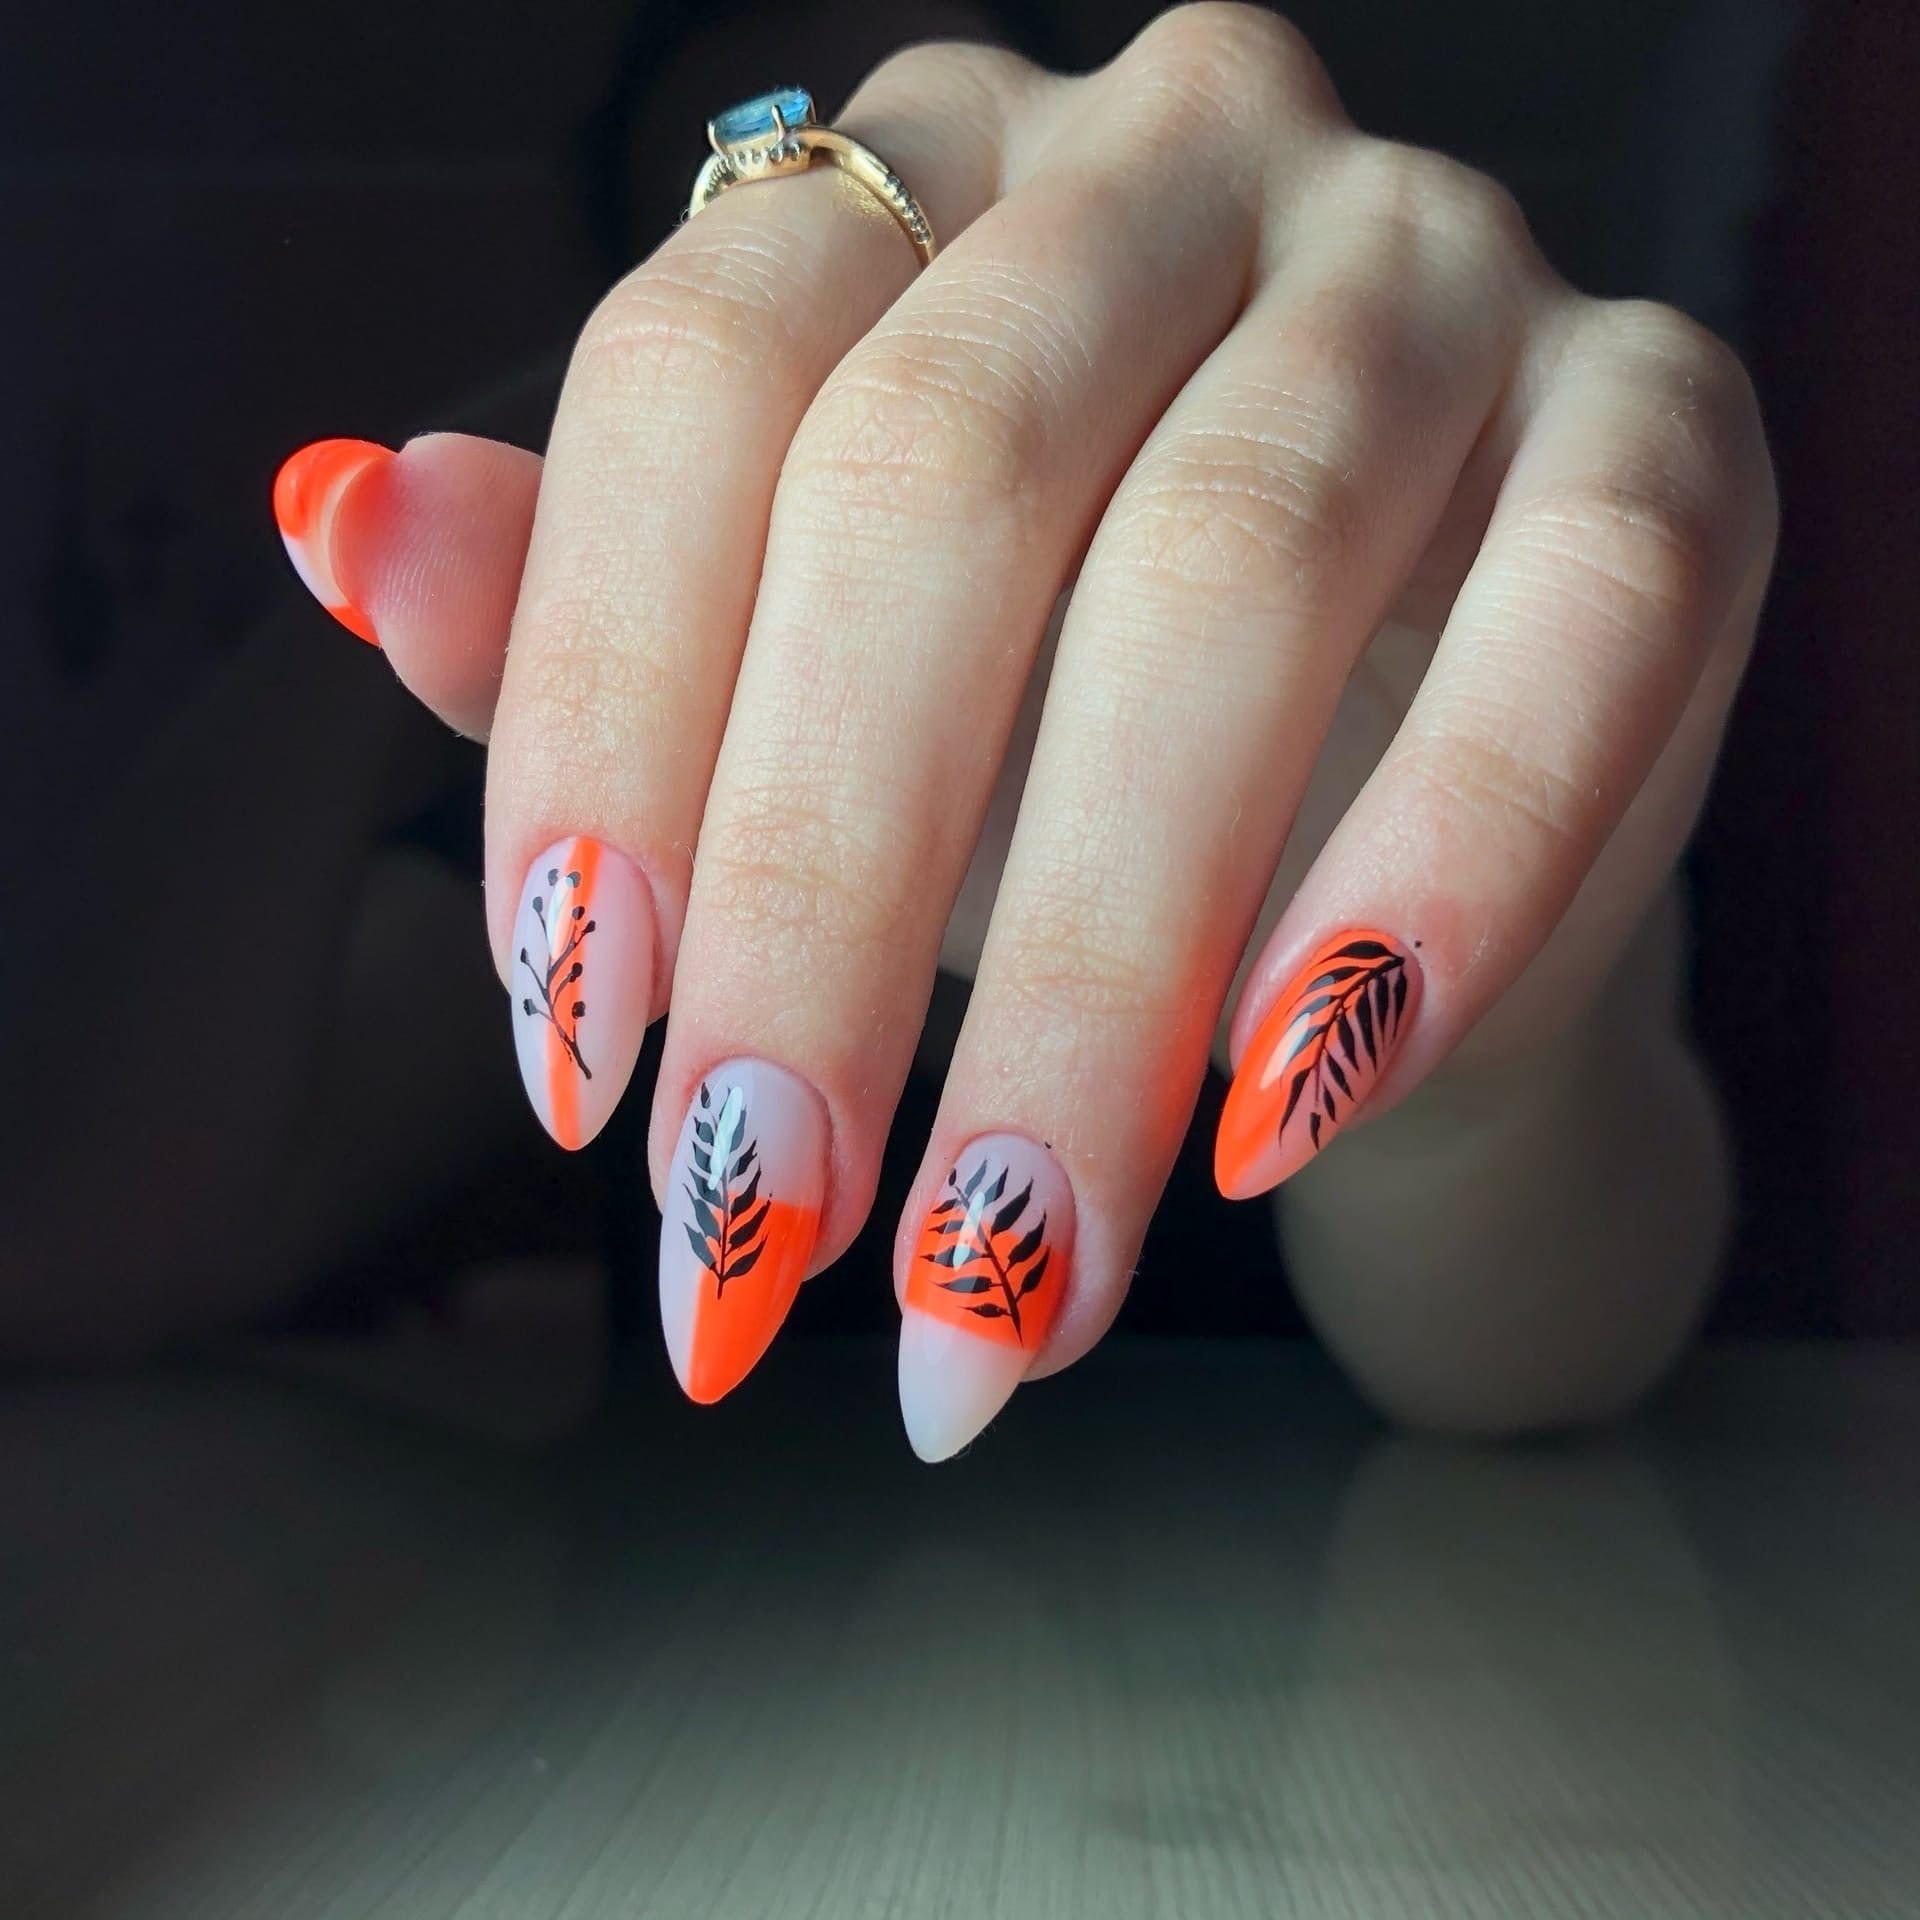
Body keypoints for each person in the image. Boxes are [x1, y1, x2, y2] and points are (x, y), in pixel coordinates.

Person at [41, 7, 1781, 1459]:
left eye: (944, 213)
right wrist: (424, 556)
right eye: (741, 199)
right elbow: (83, 1232)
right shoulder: (585, 874)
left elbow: (1550, 1356)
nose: (877, 348)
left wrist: (1468, 1092)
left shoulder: (1361, 652)